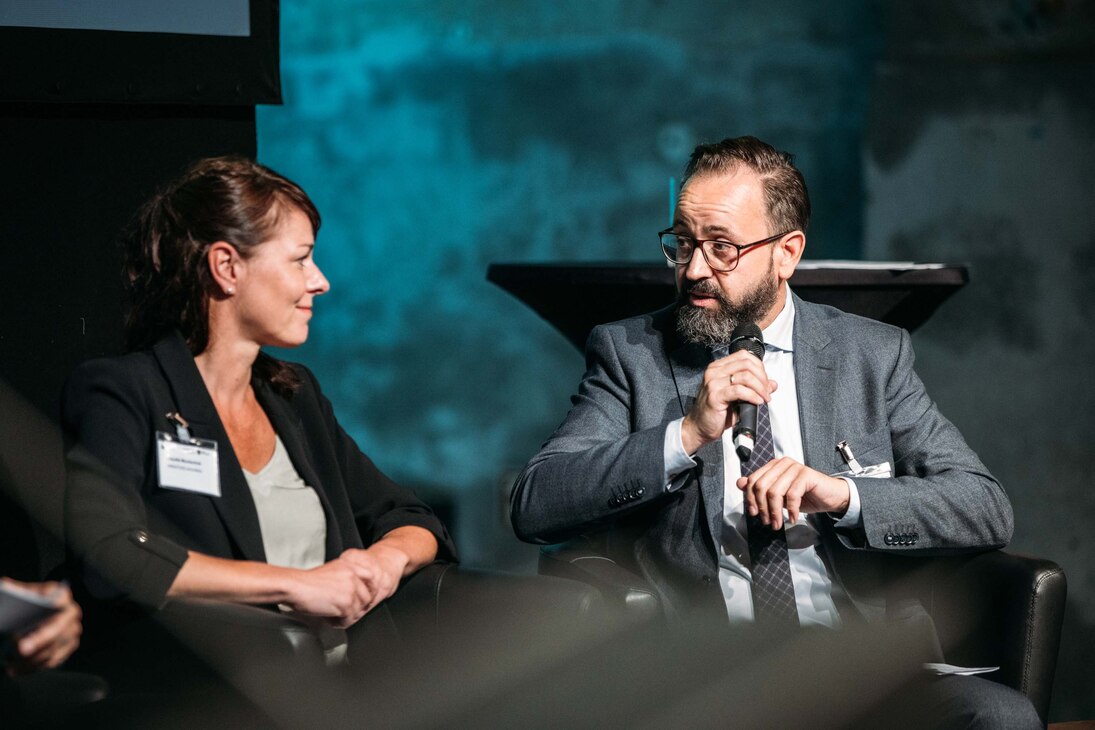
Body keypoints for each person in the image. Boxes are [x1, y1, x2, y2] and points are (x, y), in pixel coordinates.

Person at [511, 136, 1040, 726]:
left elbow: (985, 506)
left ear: (786, 253)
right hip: (705, 672)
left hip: (859, 664)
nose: (693, 270)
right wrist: (684, 434)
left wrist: (842, 495)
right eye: (682, 243)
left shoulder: (871, 354)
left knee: (1001, 718)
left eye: (722, 248)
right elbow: (536, 503)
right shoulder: (630, 353)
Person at [62, 156, 456, 669]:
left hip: (352, 697)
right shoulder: (124, 391)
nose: (320, 282)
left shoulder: (295, 397)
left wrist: (382, 562)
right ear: (227, 268)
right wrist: (299, 586)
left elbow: (410, 518)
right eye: (301, 259)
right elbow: (109, 555)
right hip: (214, 701)